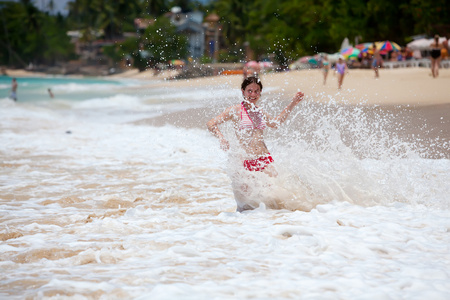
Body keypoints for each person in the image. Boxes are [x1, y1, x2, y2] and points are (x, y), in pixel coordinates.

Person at [206, 76, 304, 211]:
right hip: (248, 160)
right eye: (249, 91)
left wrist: (292, 103)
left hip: (265, 159)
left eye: (256, 91)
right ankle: (248, 224)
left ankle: (276, 221)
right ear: (243, 91)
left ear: (260, 93)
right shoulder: (235, 110)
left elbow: (275, 123)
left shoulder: (259, 111)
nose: (253, 94)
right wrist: (221, 137)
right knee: (248, 203)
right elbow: (211, 123)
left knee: (274, 195)